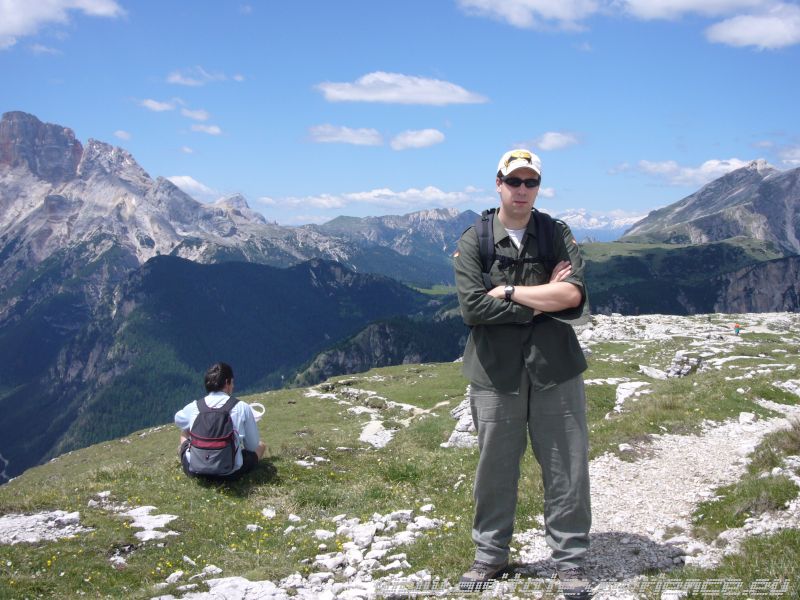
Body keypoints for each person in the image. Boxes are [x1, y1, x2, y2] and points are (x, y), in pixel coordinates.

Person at [454, 149, 592, 598]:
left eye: (530, 182)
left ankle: (570, 561)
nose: (522, 190)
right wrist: (543, 297)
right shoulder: (474, 239)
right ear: (498, 183)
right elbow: (472, 308)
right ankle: (490, 555)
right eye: (514, 181)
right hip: (495, 373)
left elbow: (573, 297)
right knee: (494, 467)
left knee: (566, 465)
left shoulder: (556, 232)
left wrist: (510, 292)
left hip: (556, 368)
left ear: (538, 187)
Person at [175, 362, 266, 479]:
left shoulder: (195, 406)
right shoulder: (242, 407)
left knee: (185, 430)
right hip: (230, 472)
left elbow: (178, 419)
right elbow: (252, 447)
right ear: (227, 382)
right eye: (232, 382)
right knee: (261, 446)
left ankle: (192, 454)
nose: (233, 386)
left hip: (196, 471)